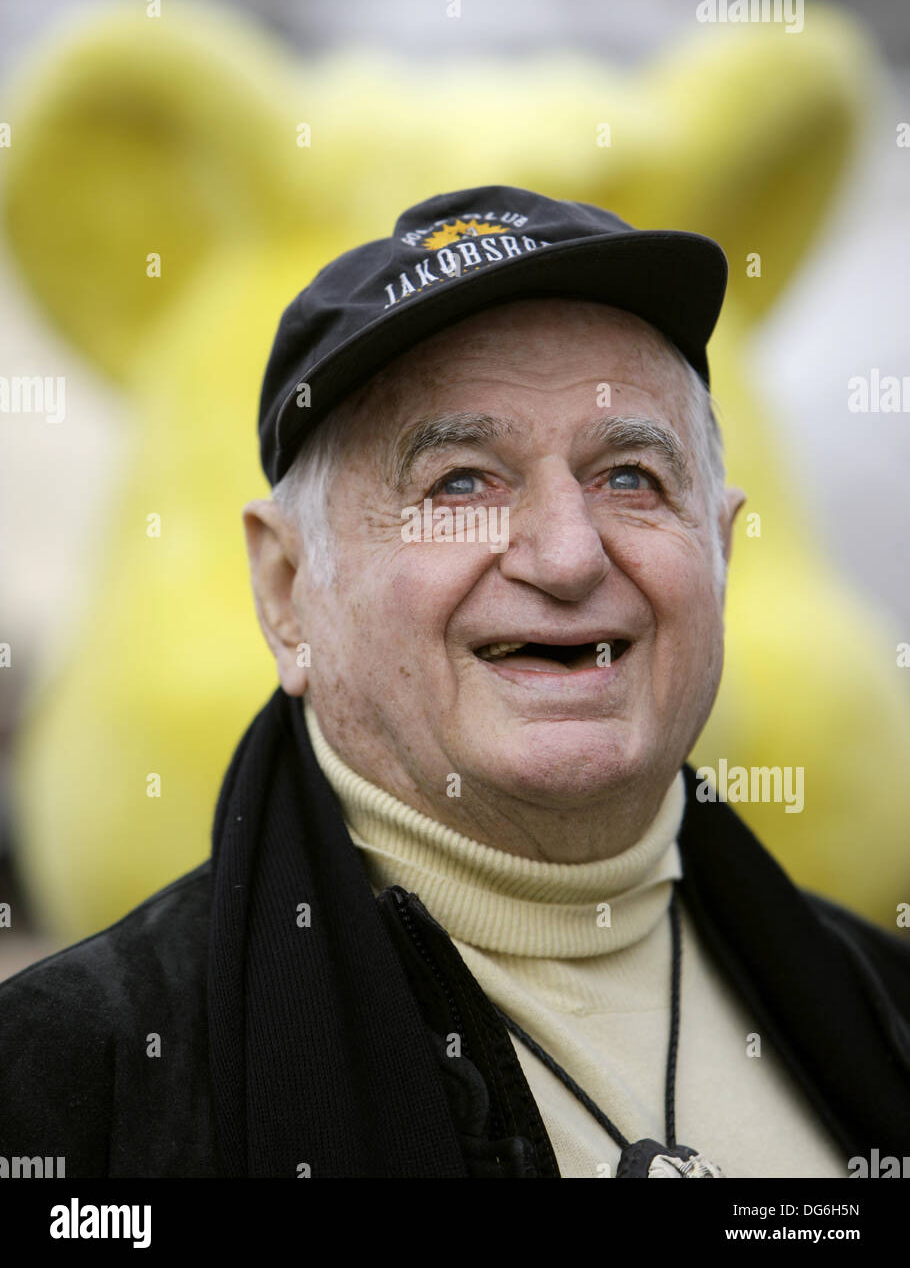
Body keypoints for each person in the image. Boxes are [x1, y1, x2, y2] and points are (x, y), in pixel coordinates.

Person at [1, 184, 908, 1179]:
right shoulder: (67, 1087)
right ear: (287, 592)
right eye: (461, 482)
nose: (567, 556)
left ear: (721, 553)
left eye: (630, 479)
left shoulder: (881, 1010)